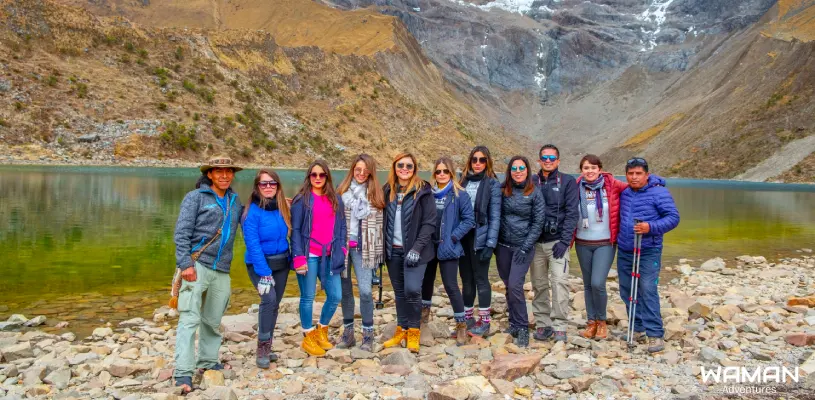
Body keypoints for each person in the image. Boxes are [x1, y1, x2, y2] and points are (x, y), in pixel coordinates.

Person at [172, 155, 243, 393]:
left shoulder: (234, 200)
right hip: (197, 264)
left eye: (228, 171)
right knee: (189, 318)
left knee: (213, 320)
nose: (224, 175)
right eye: (219, 171)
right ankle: (183, 371)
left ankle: (208, 360)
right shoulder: (195, 198)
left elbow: (254, 216)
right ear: (210, 174)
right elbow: (181, 233)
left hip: (221, 268)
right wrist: (185, 265)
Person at [617, 157, 679, 353]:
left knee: (647, 289)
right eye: (630, 173)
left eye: (638, 173)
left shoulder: (659, 192)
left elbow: (673, 218)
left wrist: (650, 227)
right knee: (627, 289)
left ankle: (655, 334)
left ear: (647, 175)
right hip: (626, 248)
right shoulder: (626, 193)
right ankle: (637, 328)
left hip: (648, 249)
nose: (634, 177)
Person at [291, 160, 347, 357]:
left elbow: (341, 226)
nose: (317, 178)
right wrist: (298, 256)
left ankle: (322, 330)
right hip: (309, 254)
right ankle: (308, 337)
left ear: (327, 177)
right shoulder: (301, 200)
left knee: (335, 296)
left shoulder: (336, 199)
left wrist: (342, 247)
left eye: (321, 175)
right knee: (308, 297)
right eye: (313, 175)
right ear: (309, 177)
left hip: (331, 254)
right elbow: (296, 230)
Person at [381, 153, 436, 353]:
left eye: (409, 166)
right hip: (392, 251)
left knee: (412, 290)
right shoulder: (387, 190)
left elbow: (429, 223)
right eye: (400, 165)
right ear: (394, 167)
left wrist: (416, 248)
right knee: (399, 293)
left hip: (416, 252)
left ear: (415, 169)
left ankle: (414, 331)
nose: (404, 169)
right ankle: (401, 329)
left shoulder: (423, 191)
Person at [420, 157, 475, 345]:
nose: (441, 174)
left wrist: (453, 237)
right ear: (434, 174)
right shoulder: (428, 193)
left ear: (451, 173)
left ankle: (461, 326)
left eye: (445, 171)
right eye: (438, 171)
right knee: (426, 283)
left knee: (451, 285)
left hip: (448, 246)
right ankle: (423, 322)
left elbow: (469, 220)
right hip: (429, 245)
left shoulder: (460, 194)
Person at [242, 169, 292, 368]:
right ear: (257, 187)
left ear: (278, 186)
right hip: (260, 265)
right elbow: (253, 245)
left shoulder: (283, 207)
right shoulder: (251, 213)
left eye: (272, 183)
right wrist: (264, 273)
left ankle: (268, 346)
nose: (268, 187)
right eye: (264, 184)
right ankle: (262, 347)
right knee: (268, 300)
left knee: (275, 304)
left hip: (281, 263)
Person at [573, 155, 627, 341]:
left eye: (593, 168)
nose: (589, 171)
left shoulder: (611, 184)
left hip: (605, 242)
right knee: (588, 285)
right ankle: (591, 322)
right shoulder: (575, 186)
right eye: (586, 168)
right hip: (582, 242)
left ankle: (602, 322)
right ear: (581, 170)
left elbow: (636, 186)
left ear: (600, 169)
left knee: (598, 283)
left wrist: (654, 182)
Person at [335, 154, 385, 352]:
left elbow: (382, 224)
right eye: (358, 170)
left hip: (366, 249)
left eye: (366, 170)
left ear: (371, 171)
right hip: (343, 247)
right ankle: (348, 334)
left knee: (365, 291)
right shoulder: (341, 192)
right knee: (345, 291)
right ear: (352, 170)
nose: (362, 174)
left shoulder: (376, 194)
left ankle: (368, 334)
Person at [531, 144, 579, 342]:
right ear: (539, 160)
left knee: (559, 282)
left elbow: (572, 213)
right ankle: (543, 323)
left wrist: (565, 240)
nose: (548, 161)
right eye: (544, 158)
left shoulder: (568, 182)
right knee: (539, 284)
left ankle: (560, 324)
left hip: (557, 242)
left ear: (558, 161)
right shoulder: (531, 181)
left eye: (552, 158)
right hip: (535, 243)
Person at [496, 156, 545, 347]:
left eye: (522, 168)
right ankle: (514, 323)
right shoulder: (503, 190)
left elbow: (538, 222)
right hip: (502, 246)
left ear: (527, 170)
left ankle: (523, 327)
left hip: (523, 247)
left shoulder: (535, 193)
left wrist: (525, 247)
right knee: (508, 285)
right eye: (514, 168)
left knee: (516, 285)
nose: (518, 171)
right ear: (509, 171)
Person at [458, 146, 501, 336]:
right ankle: (467, 319)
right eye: (474, 160)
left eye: (481, 160)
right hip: (462, 237)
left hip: (480, 238)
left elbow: (495, 216)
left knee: (481, 279)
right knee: (466, 279)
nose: (477, 163)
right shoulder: (462, 181)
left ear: (487, 162)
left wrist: (491, 244)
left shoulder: (492, 184)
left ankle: (485, 321)